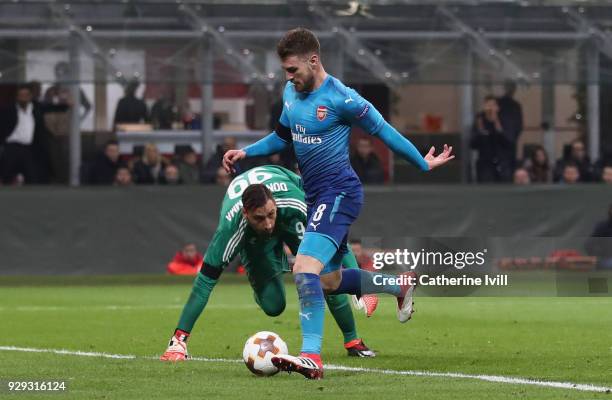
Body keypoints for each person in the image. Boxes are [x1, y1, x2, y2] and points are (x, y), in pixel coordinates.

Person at [222, 28, 453, 379]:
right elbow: (282, 136)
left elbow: (385, 131)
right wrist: (246, 151)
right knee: (328, 281)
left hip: (339, 192)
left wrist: (422, 162)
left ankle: (310, 357)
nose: (288, 77)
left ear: (313, 61)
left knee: (303, 269)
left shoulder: (343, 98)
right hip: (315, 197)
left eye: (292, 70)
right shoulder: (290, 92)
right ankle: (398, 285)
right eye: (286, 71)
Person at [160, 165, 376, 362]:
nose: (268, 224)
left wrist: (359, 286)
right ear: (245, 214)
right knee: (274, 306)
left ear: (275, 204)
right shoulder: (230, 228)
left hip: (291, 220)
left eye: (271, 214)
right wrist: (178, 340)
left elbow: (338, 240)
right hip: (255, 242)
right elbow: (204, 282)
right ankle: (268, 267)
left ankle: (353, 340)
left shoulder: (297, 204)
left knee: (327, 276)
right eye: (259, 218)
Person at [0, 84, 53, 184]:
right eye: (21, 95)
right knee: (6, 175)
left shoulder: (35, 109)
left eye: (26, 95)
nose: (23, 98)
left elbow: (51, 107)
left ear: (30, 96)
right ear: (17, 97)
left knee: (32, 176)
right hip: (12, 147)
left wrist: (66, 105)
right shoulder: (9, 110)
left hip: (28, 148)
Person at [470, 95, 513, 183]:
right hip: (485, 164)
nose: (491, 108)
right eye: (488, 105)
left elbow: (509, 142)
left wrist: (496, 123)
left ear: (497, 108)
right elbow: (472, 144)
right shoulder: (480, 121)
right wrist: (480, 131)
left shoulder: (504, 120)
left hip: (502, 163)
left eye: (493, 105)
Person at [497, 80, 523, 170]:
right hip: (500, 144)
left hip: (510, 143)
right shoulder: (498, 103)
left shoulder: (516, 105)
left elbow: (519, 126)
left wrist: (512, 138)